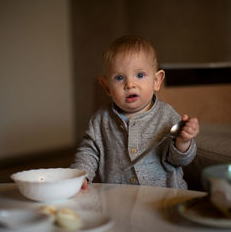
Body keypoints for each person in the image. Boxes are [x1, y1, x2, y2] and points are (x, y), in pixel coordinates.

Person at [70, 35, 199, 190]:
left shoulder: (166, 115)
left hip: (165, 198)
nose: (130, 84)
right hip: (118, 199)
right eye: (119, 78)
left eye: (140, 75)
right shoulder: (100, 120)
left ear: (157, 81)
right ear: (106, 87)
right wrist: (80, 176)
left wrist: (183, 142)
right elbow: (88, 152)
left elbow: (180, 160)